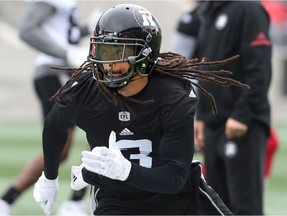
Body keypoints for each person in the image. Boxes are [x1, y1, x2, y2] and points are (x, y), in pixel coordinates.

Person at [31, 4, 250, 215]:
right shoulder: (84, 91)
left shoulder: (173, 97)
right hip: (116, 200)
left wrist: (125, 171)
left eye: (118, 53)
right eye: (105, 52)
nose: (109, 64)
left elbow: (175, 179)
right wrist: (49, 178)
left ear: (145, 55)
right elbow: (54, 126)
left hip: (179, 199)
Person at [0, 0, 101, 215]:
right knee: (100, 130)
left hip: (62, 73)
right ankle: (73, 202)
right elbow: (27, 31)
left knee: (63, 149)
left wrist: (84, 29)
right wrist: (64, 53)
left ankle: (7, 199)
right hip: (56, 74)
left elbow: (62, 34)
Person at [194, 1, 272, 215]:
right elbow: (205, 67)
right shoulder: (209, 10)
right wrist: (201, 115)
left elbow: (259, 68)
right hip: (213, 124)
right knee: (215, 207)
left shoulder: (249, 9)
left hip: (241, 125)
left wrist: (242, 114)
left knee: (244, 208)